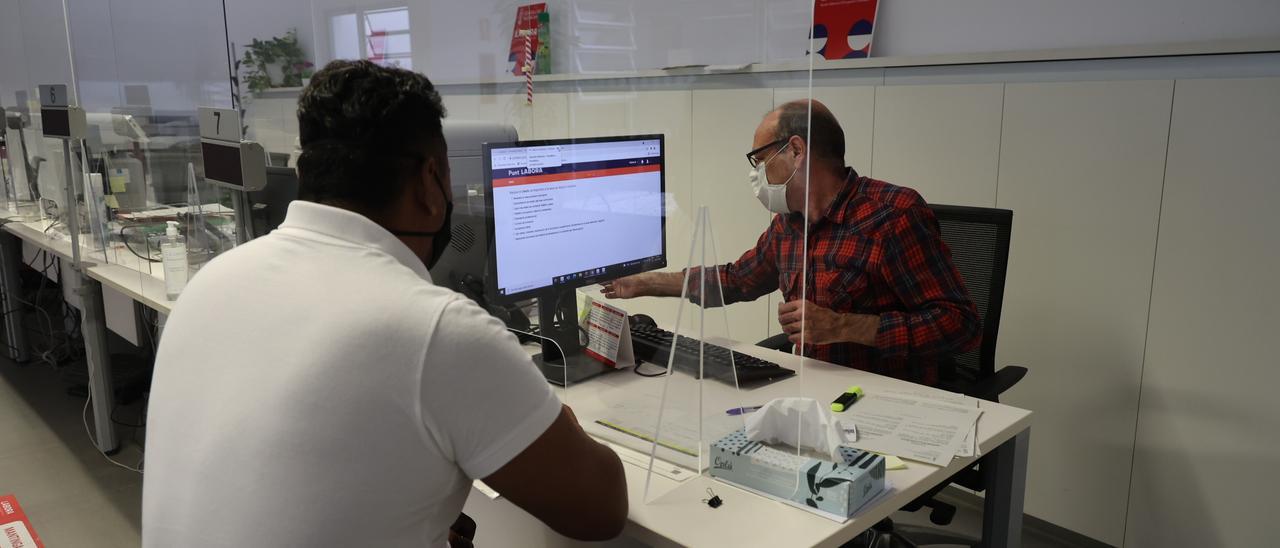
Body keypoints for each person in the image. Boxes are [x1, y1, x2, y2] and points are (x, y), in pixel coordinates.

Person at [142, 60, 627, 547]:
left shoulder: (211, 281)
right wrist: (557, 423)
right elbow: (601, 510)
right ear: (430, 183)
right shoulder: (435, 329)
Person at [604, 100, 980, 386]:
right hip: (814, 391)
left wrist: (845, 326)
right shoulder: (790, 224)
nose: (756, 174)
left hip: (886, 398)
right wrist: (644, 283)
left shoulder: (892, 216)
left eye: (760, 159)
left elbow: (960, 325)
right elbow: (736, 280)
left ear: (796, 151)